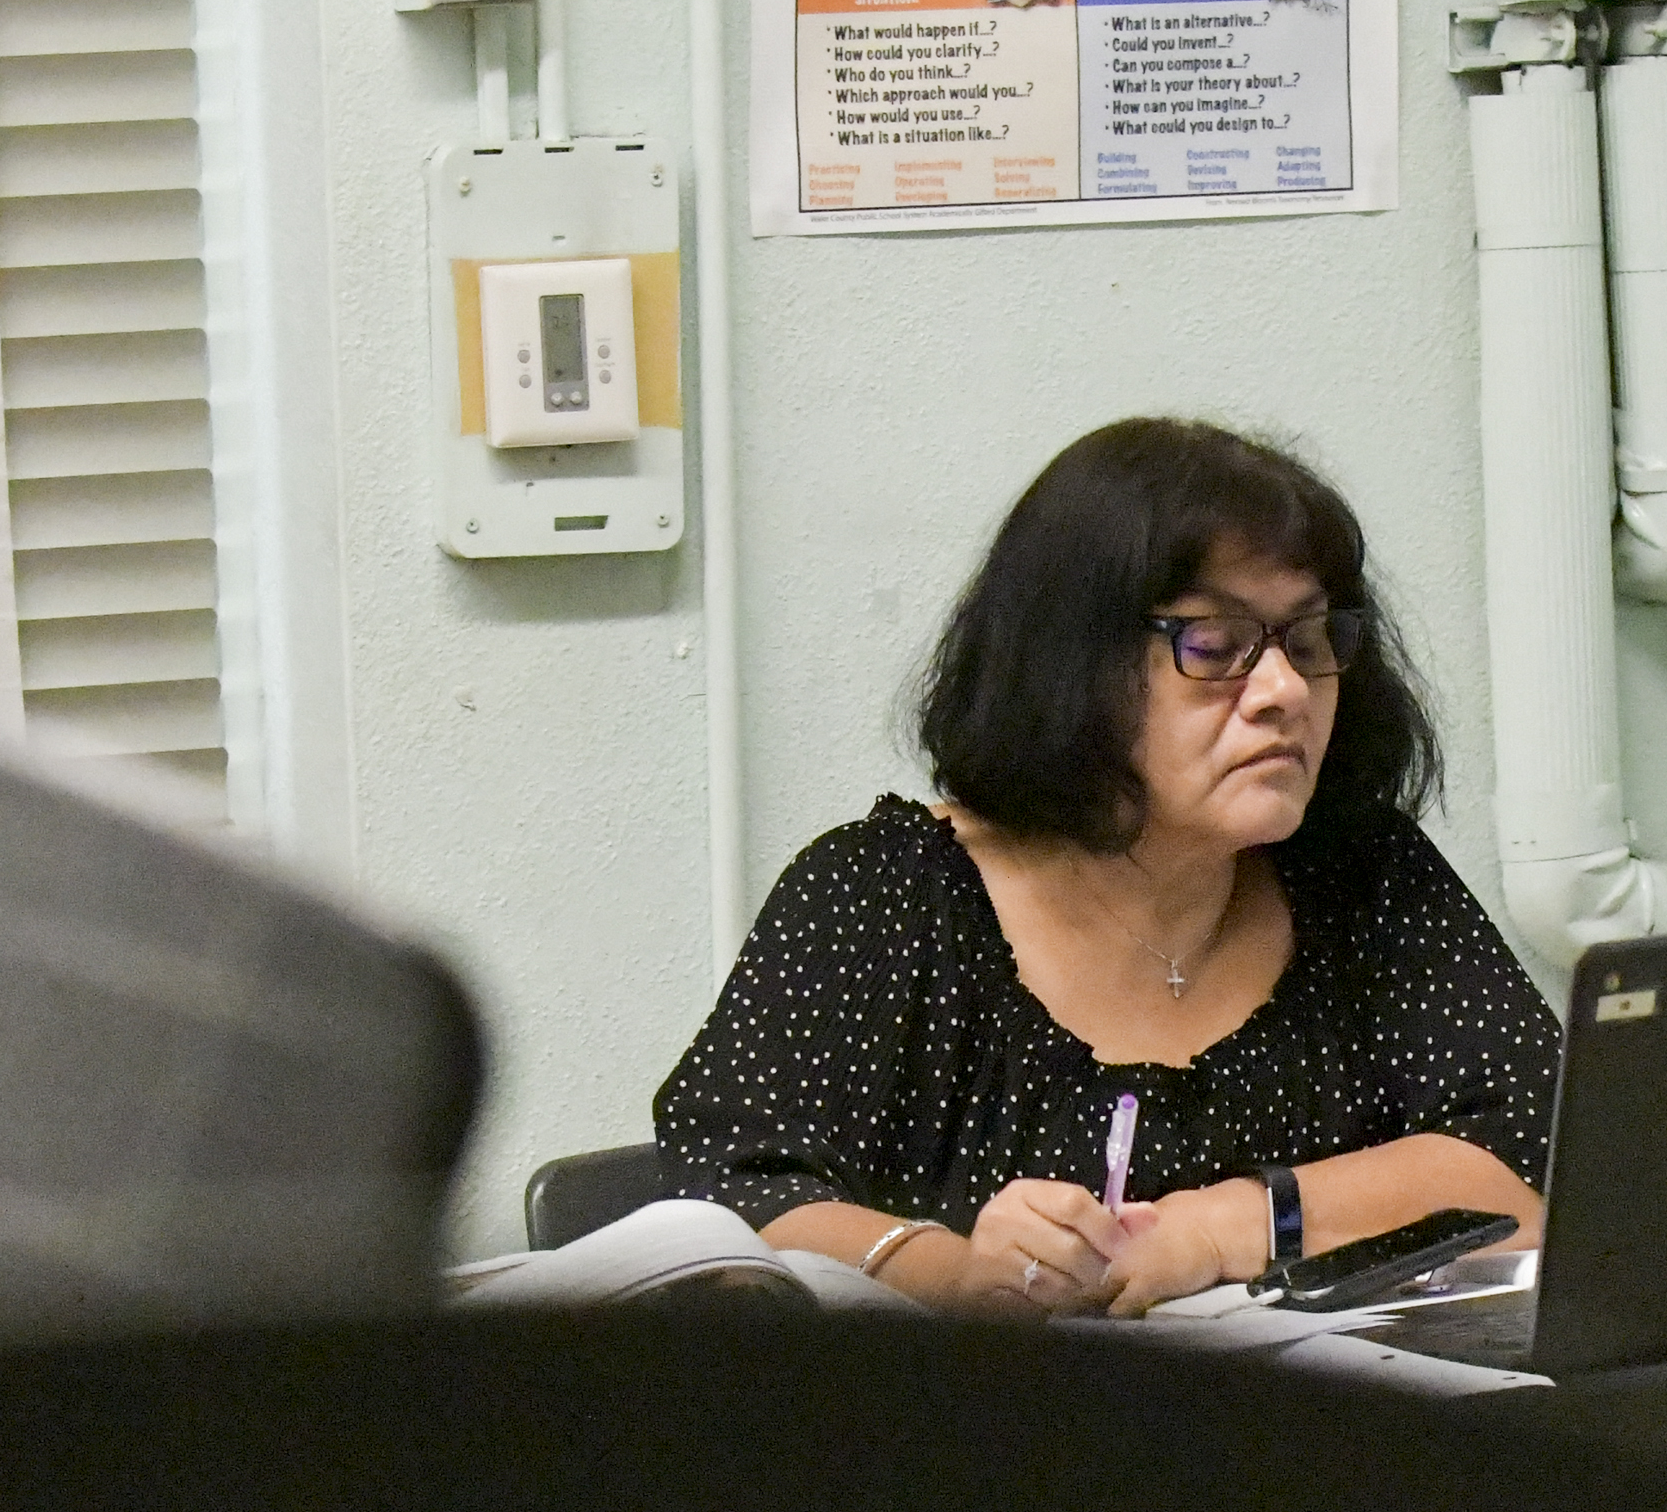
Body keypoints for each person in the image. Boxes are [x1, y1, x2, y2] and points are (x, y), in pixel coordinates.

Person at [656, 418, 1555, 1315]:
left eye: (1309, 641)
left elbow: (1536, 1167)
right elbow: (731, 1201)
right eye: (1214, 644)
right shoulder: (885, 896)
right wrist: (955, 1271)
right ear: (1071, 665)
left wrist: (1231, 1225)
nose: (1283, 692)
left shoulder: (1364, 876)